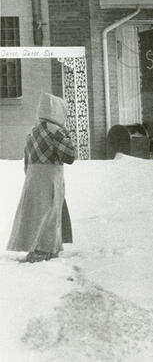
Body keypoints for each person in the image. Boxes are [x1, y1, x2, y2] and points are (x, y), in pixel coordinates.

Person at [7, 93, 76, 263]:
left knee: (34, 213)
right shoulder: (57, 131)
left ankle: (35, 246)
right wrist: (68, 138)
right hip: (51, 177)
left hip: (32, 178)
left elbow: (26, 158)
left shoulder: (33, 131)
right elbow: (69, 156)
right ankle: (46, 249)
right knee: (51, 212)